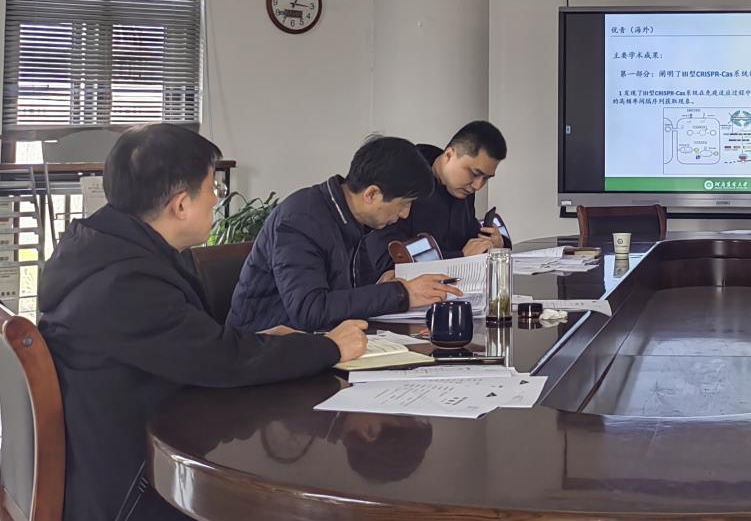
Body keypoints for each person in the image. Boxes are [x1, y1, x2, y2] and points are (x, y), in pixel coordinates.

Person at [37, 124, 370, 521]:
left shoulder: (106, 246)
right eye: (212, 188)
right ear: (181, 205)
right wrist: (329, 346)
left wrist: (259, 340)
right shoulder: (125, 282)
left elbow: (189, 342)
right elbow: (220, 360)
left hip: (124, 451)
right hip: (135, 488)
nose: (216, 198)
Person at [228, 136, 460, 333]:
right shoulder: (301, 220)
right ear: (371, 194)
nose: (404, 214)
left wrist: (382, 283)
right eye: (403, 204)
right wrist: (401, 294)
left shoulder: (353, 219)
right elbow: (309, 310)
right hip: (261, 351)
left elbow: (351, 293)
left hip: (317, 344)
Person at [367, 120, 508, 274]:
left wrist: (493, 242)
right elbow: (385, 260)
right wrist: (459, 258)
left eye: (486, 178)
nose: (478, 185)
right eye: (474, 173)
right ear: (449, 155)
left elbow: (467, 237)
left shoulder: (463, 189)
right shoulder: (405, 181)